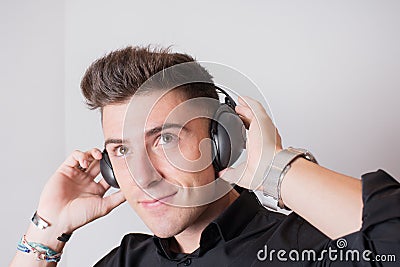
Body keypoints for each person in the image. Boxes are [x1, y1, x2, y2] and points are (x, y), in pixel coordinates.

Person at [10, 46, 399, 266]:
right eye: (122, 150)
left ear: (222, 139)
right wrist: (47, 229)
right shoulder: (127, 261)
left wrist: (273, 168)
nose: (142, 176)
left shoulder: (305, 247)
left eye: (164, 139)